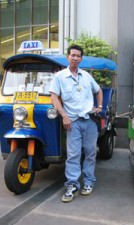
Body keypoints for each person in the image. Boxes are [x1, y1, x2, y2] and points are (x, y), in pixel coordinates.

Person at [49, 45, 103, 203]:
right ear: (68, 57)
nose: (75, 58)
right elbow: (54, 97)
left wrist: (99, 107)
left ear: (81, 58)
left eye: (78, 56)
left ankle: (88, 182)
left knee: (91, 153)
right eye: (72, 55)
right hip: (72, 121)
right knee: (73, 155)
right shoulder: (60, 76)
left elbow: (98, 90)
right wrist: (64, 116)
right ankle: (72, 185)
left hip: (90, 120)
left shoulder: (86, 76)